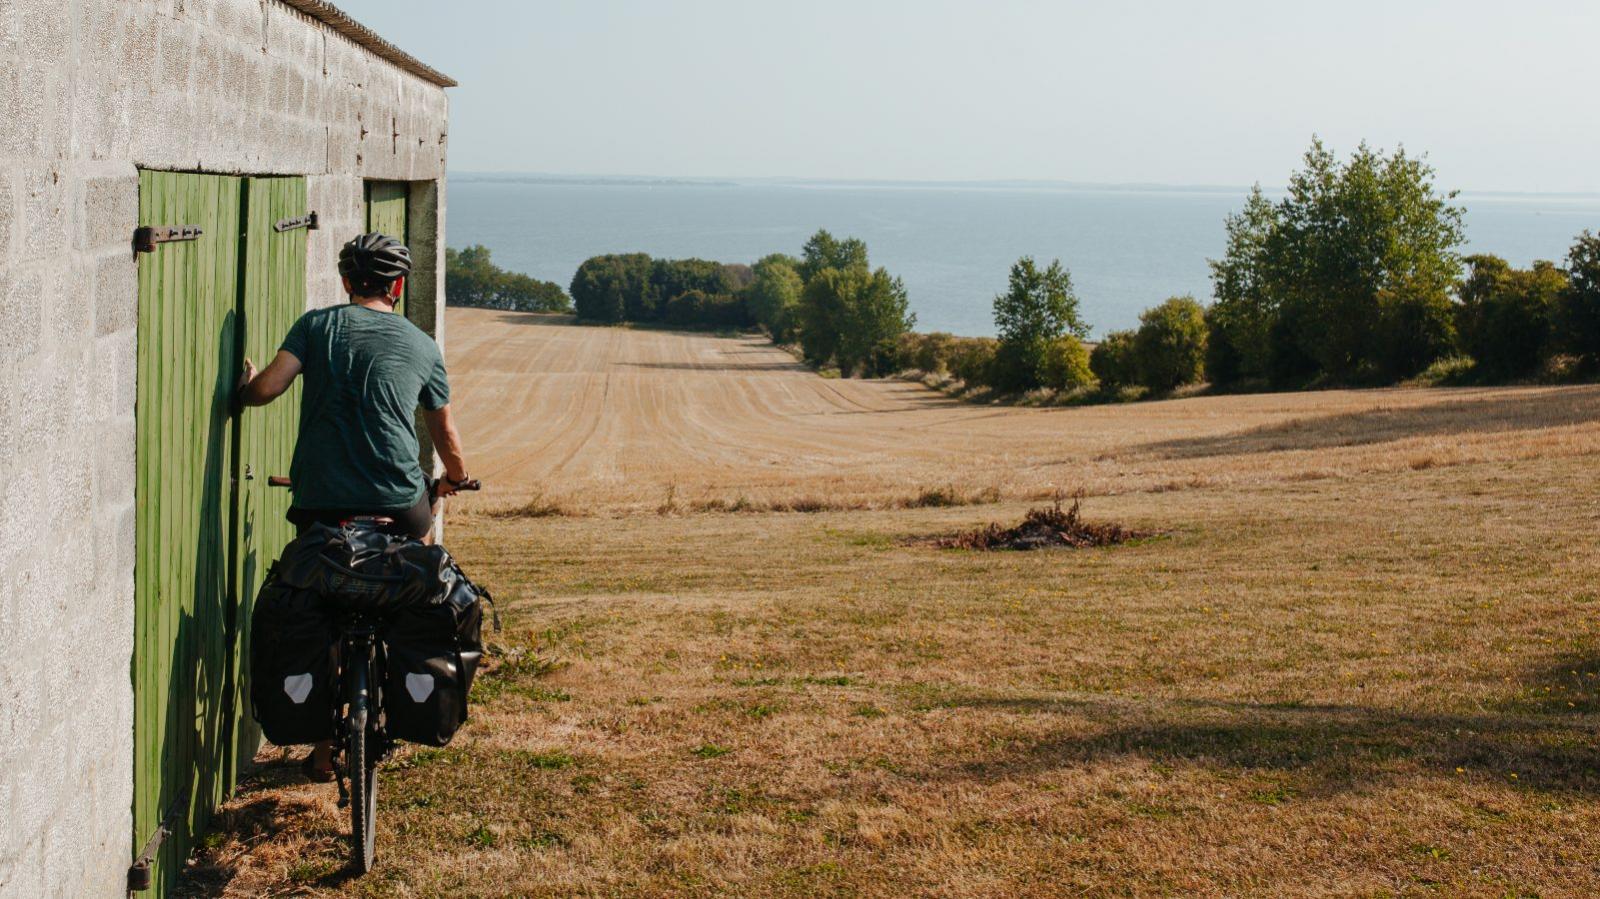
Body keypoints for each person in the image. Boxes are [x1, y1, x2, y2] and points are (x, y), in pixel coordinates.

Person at [237, 232, 471, 781]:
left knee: (320, 602)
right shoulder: (422, 346)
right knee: (418, 572)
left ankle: (321, 748)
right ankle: (401, 680)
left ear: (346, 282)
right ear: (398, 285)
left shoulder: (316, 327)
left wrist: (245, 389)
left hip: (322, 503)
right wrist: (454, 480)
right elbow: (446, 436)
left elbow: (270, 387)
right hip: (399, 502)